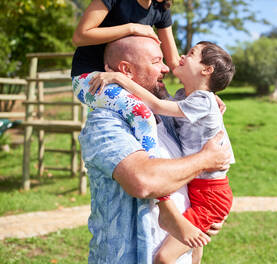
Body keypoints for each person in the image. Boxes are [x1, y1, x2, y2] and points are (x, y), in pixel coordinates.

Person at [79, 35, 231, 264]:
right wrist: (205, 159)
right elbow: (143, 181)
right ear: (125, 71)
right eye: (155, 61)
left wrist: (206, 216)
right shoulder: (106, 123)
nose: (166, 69)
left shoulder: (167, 118)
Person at [72, 0, 196, 155]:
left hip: (127, 83)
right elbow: (81, 35)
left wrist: (204, 92)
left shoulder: (161, 9)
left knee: (171, 117)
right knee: (142, 113)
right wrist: (132, 27)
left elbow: (175, 63)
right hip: (90, 80)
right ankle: (152, 168)